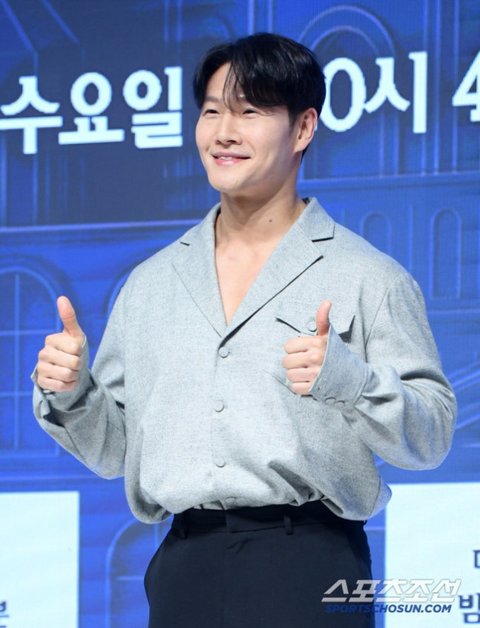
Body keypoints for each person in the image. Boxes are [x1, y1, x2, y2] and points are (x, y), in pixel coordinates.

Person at [33, 32, 456, 628]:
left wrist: (352, 382)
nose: (223, 133)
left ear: (303, 128)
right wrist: (73, 393)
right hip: (184, 565)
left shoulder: (368, 276)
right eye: (212, 112)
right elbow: (117, 452)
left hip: (308, 562)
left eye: (250, 112)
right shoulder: (151, 283)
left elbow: (431, 436)